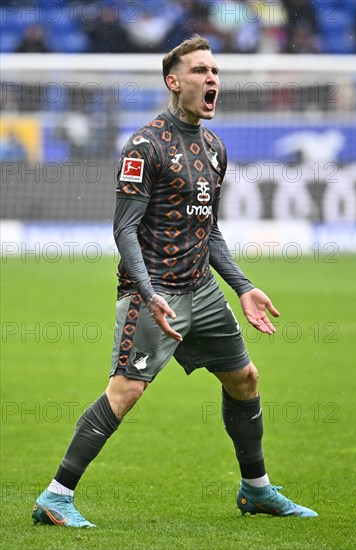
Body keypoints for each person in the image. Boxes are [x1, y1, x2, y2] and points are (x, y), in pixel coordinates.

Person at [32, 35, 317, 528]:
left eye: (216, 72)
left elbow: (210, 230)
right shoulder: (145, 145)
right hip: (154, 290)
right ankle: (55, 497)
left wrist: (243, 286)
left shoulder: (214, 148)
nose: (212, 79)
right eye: (201, 71)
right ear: (174, 81)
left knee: (244, 378)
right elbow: (123, 228)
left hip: (201, 289)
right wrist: (148, 294)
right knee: (125, 392)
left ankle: (256, 490)